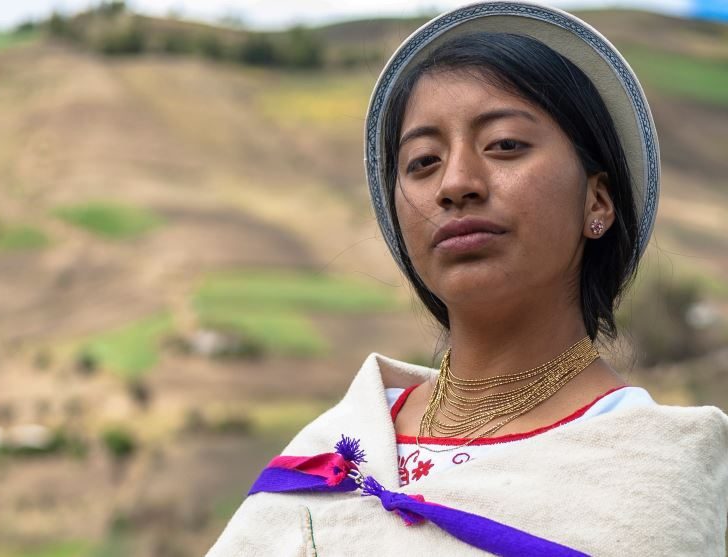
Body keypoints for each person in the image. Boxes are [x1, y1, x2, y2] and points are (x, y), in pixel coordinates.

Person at [207, 2, 728, 555]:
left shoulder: (653, 472)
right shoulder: (331, 457)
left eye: (505, 144)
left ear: (597, 200)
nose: (455, 183)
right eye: (423, 161)